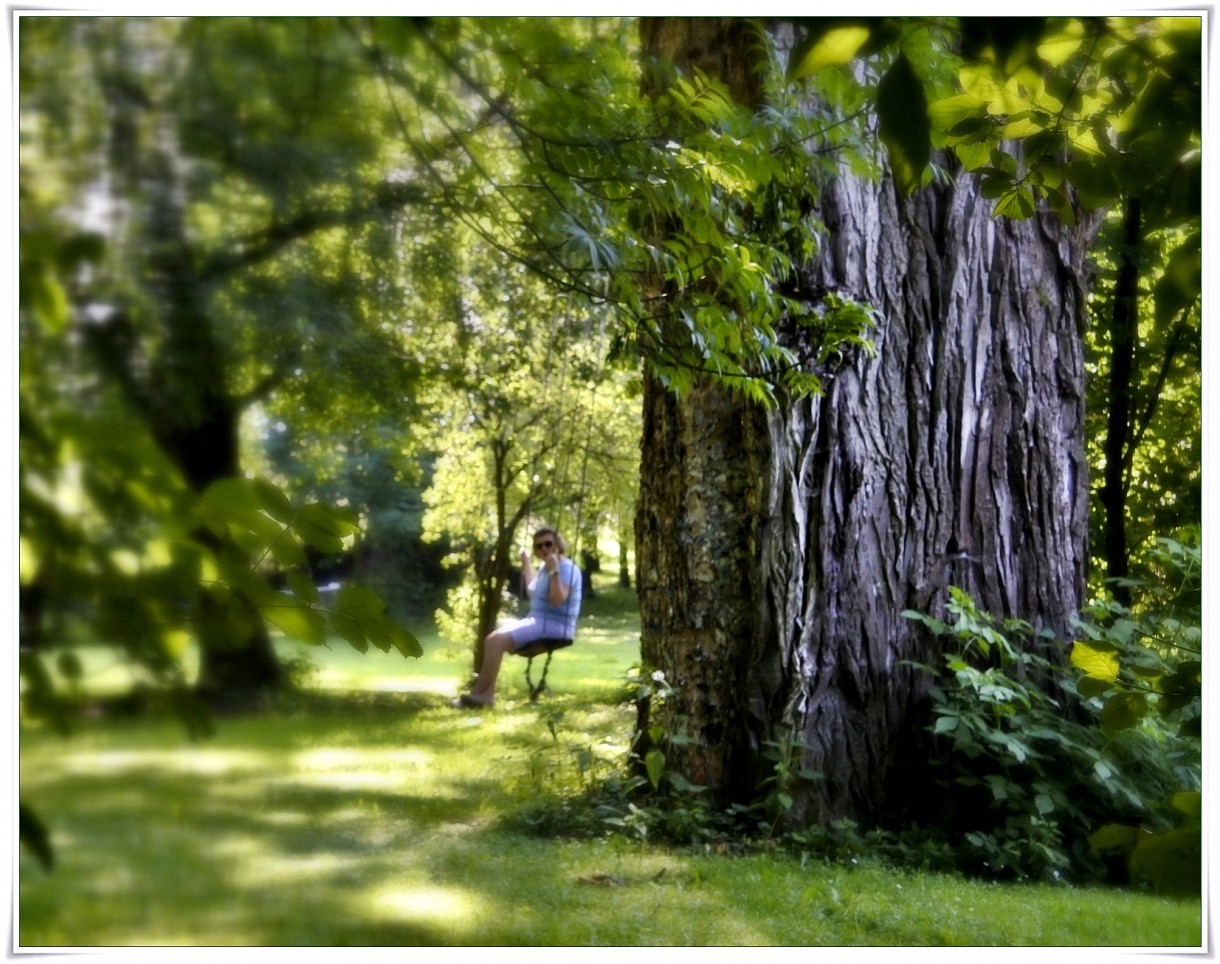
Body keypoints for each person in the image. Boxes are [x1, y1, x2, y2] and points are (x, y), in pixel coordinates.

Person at [450, 526, 582, 709]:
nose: (544, 549)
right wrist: (526, 563)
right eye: (539, 546)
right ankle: (485, 695)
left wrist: (555, 572)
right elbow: (532, 591)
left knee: (496, 641)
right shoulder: (545, 567)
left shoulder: (567, 568)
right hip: (537, 620)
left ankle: (477, 696)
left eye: (548, 544)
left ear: (558, 545)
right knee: (492, 640)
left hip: (555, 626)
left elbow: (557, 600)